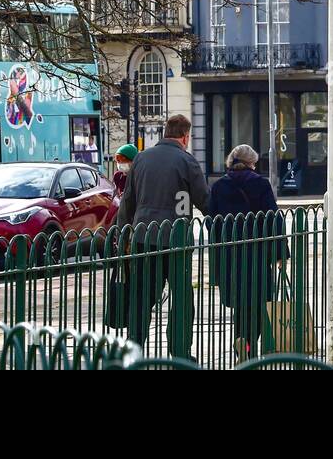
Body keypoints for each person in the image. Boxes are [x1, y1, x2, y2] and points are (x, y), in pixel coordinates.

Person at [117, 113, 209, 360]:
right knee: (181, 298)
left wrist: (123, 235)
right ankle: (179, 352)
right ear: (185, 136)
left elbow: (128, 201)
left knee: (142, 297)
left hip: (143, 238)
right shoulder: (186, 161)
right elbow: (204, 199)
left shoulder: (141, 159)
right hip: (176, 240)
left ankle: (134, 351)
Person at [208, 144, 288, 360]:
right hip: (257, 253)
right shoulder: (259, 184)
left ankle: (242, 341)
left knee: (240, 303)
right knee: (260, 301)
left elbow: (211, 223)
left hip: (230, 256)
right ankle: (250, 343)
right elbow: (273, 218)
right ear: (252, 163)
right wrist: (280, 253)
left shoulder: (218, 186)